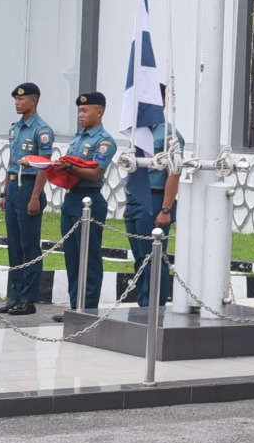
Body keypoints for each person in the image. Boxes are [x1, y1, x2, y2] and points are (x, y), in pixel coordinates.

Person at [55, 93, 117, 315]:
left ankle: (88, 309)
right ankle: (75, 308)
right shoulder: (78, 138)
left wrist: (69, 168)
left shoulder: (104, 141)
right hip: (71, 198)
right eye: (79, 111)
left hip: (89, 199)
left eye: (85, 110)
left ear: (99, 112)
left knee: (88, 258)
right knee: (72, 256)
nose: (80, 115)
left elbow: (95, 173)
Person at [0, 83, 55, 316]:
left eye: (21, 99)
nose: (17, 102)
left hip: (30, 185)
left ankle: (29, 299)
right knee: (14, 243)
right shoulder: (15, 128)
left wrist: (34, 197)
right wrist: (4, 193)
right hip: (14, 185)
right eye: (15, 99)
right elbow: (12, 161)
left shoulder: (42, 130)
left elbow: (44, 166)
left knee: (29, 245)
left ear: (33, 101)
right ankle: (16, 294)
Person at [119, 109, 179, 310]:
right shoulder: (138, 132)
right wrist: (130, 201)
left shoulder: (168, 134)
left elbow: (174, 172)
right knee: (139, 257)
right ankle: (143, 304)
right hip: (136, 198)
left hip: (154, 199)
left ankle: (152, 308)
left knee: (153, 258)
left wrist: (166, 209)